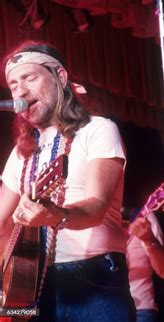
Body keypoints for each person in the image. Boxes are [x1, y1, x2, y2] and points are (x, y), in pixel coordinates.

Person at [0, 40, 135, 321]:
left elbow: (96, 207)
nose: (20, 91)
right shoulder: (20, 153)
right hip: (31, 286)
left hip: (94, 278)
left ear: (60, 77)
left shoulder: (98, 130)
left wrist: (55, 214)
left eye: (30, 77)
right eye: (13, 84)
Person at [124, 208, 164, 322]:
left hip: (139, 311)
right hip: (92, 309)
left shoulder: (141, 216)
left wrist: (149, 240)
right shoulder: (86, 218)